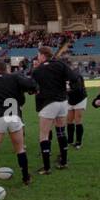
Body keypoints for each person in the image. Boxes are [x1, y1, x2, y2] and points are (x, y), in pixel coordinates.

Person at [0, 59, 38, 190]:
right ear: (7, 69)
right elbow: (31, 84)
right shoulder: (14, 77)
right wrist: (33, 90)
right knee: (20, 149)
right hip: (14, 116)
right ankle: (26, 177)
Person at [29, 45, 72, 174]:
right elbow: (73, 78)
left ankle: (47, 168)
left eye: (38, 55)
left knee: (44, 134)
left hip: (48, 104)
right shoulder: (61, 64)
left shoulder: (37, 70)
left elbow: (32, 88)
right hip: (63, 102)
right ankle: (64, 162)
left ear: (42, 55)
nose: (37, 57)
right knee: (61, 131)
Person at [65, 58, 87, 151]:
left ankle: (78, 142)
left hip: (80, 98)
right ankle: (69, 140)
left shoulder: (76, 76)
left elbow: (78, 89)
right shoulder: (63, 76)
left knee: (78, 119)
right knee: (69, 120)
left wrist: (67, 91)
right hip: (70, 99)